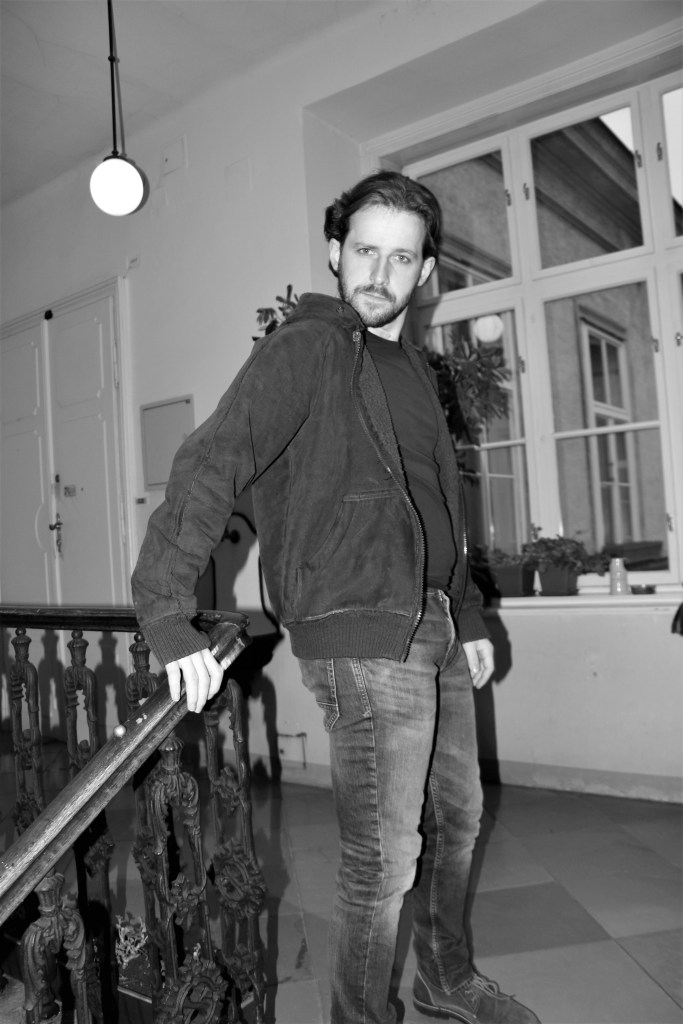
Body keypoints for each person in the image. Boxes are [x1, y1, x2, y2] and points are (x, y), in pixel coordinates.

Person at [132, 170, 541, 1024]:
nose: (379, 274)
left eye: (401, 258)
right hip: (358, 628)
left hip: (434, 619)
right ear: (333, 252)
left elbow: (438, 503)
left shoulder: (417, 373)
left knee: (457, 819)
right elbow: (214, 459)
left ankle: (444, 979)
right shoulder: (306, 348)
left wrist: (465, 612)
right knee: (383, 858)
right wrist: (166, 608)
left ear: (425, 270)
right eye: (364, 251)